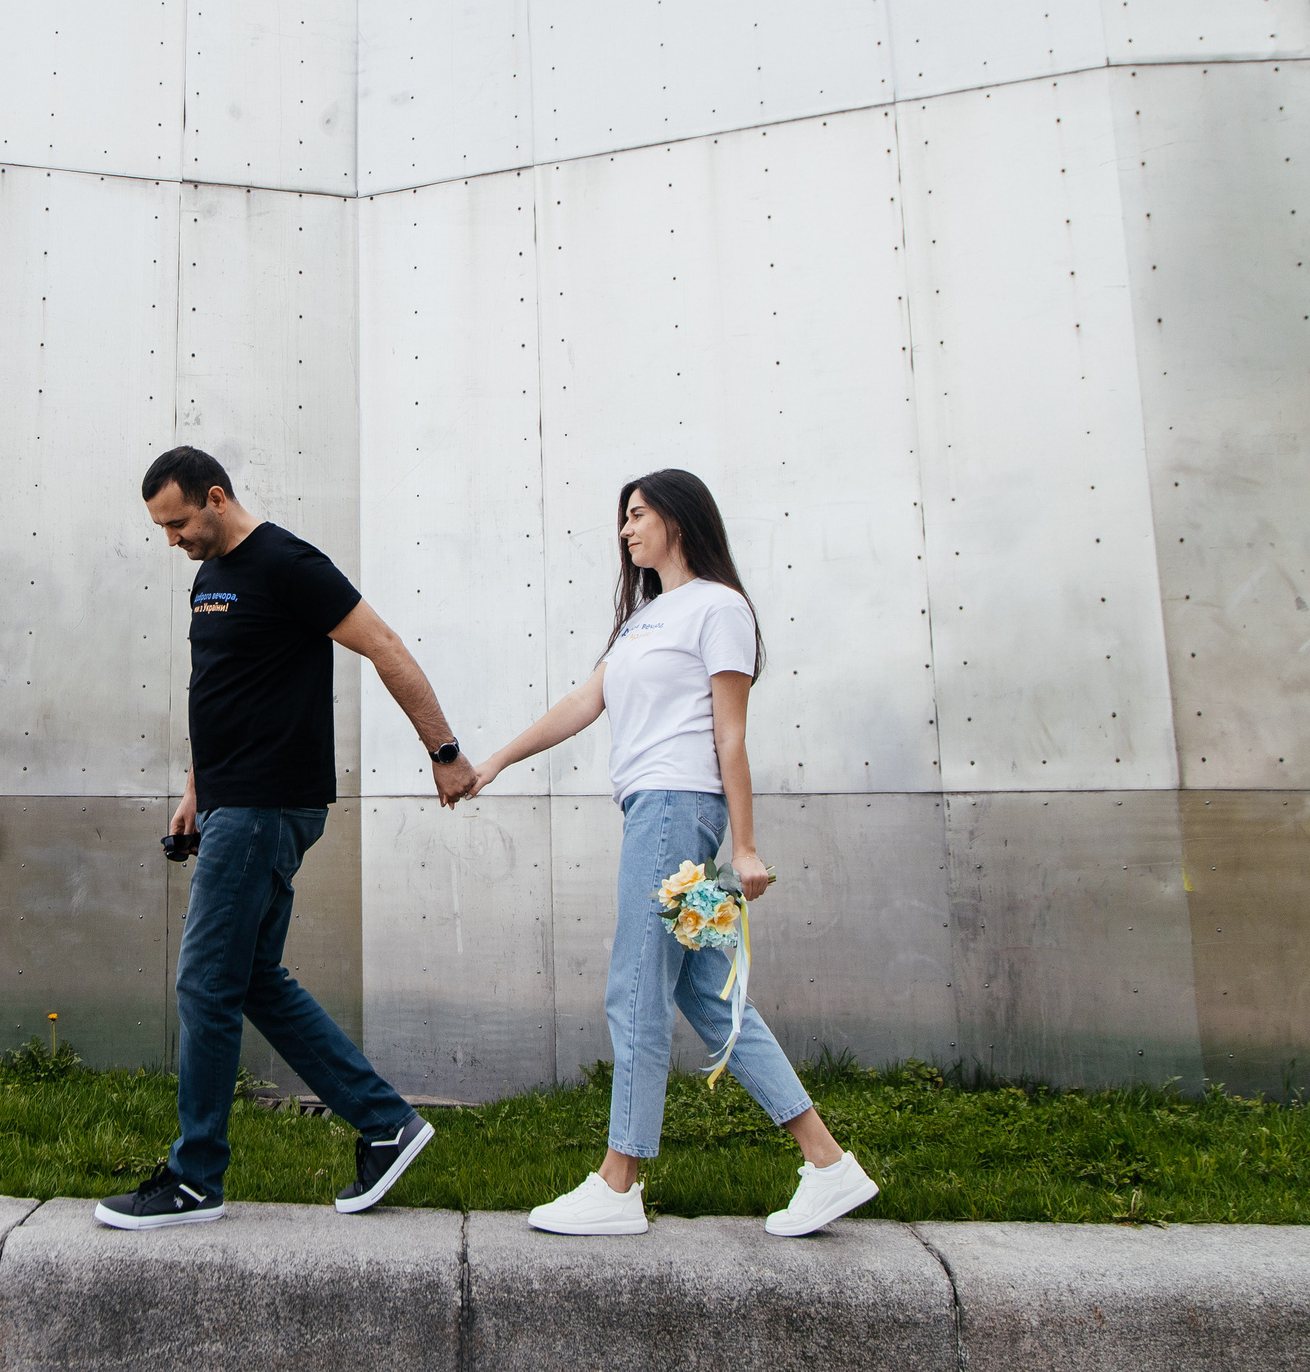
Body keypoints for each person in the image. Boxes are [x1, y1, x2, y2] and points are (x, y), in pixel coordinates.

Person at [465, 469, 880, 1238]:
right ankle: (829, 1164)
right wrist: (494, 762)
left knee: (635, 987)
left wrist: (746, 845)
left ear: (678, 518)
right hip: (654, 813)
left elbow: (730, 734)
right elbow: (581, 704)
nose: (625, 530)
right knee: (706, 993)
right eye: (623, 518)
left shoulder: (719, 609)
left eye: (637, 514)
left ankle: (618, 1181)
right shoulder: (643, 619)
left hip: (677, 813)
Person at [99, 446, 479, 1230]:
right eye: (163, 531)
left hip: (271, 802)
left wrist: (443, 751)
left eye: (178, 524)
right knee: (252, 979)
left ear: (214, 496)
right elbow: (219, 691)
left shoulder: (288, 562)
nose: (173, 542)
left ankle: (196, 1175)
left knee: (206, 981)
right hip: (232, 802)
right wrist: (195, 791)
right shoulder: (209, 579)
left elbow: (386, 646)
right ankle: (386, 1123)